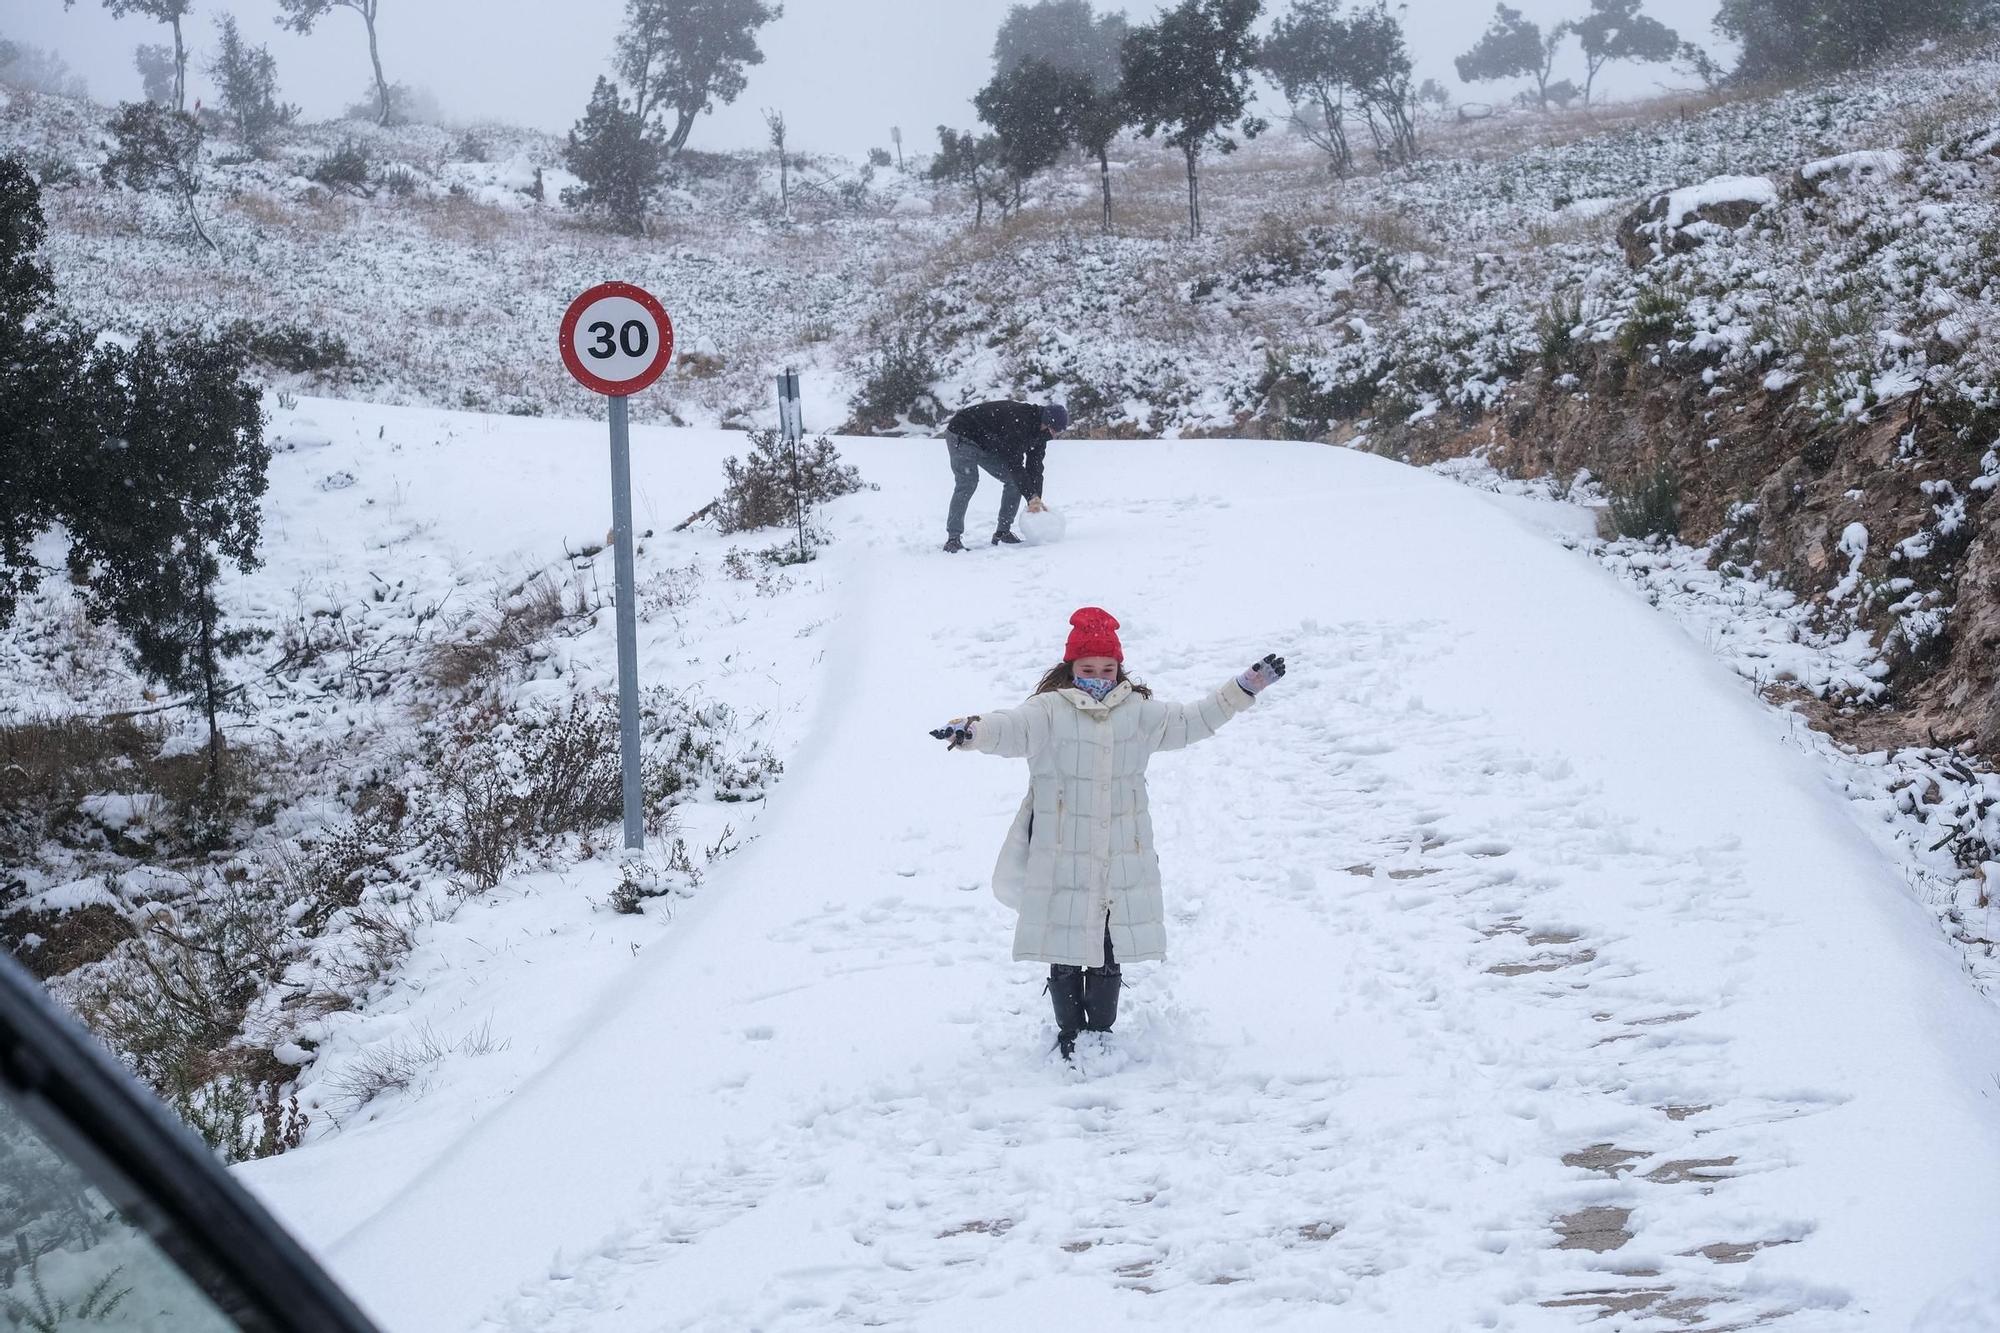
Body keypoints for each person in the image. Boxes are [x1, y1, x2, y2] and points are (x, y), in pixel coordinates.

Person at [932, 607, 1287, 1059]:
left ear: (1119, 669)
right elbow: (1007, 728)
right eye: (1087, 669)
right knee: (1062, 940)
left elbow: (1192, 721)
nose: (1098, 677)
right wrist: (972, 731)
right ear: (1070, 669)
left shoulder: (1137, 714)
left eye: (1106, 669)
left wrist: (1240, 690)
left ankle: (1100, 1032)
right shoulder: (1047, 712)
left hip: (1121, 850)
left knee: (1108, 939)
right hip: (1060, 851)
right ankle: (1068, 1032)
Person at [941, 400, 1067, 553]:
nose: (1054, 435)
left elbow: (1035, 468)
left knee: (1014, 482)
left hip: (988, 442)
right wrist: (1031, 497)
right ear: (1046, 423)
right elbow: (1015, 464)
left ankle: (1002, 533)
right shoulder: (1019, 421)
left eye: (1057, 433)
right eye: (1054, 431)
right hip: (962, 433)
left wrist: (1036, 499)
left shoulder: (1041, 434)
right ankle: (953, 538)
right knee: (968, 482)